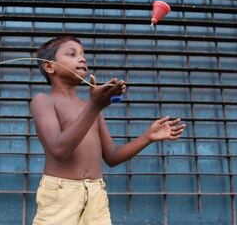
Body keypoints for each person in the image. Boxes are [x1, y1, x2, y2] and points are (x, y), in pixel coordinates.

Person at [31, 36, 186, 225]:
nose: (81, 58)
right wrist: (95, 106)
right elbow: (59, 150)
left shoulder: (90, 107)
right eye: (72, 54)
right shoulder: (44, 101)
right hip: (60, 196)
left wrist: (147, 137)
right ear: (49, 66)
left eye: (83, 54)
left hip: (96, 195)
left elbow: (111, 157)